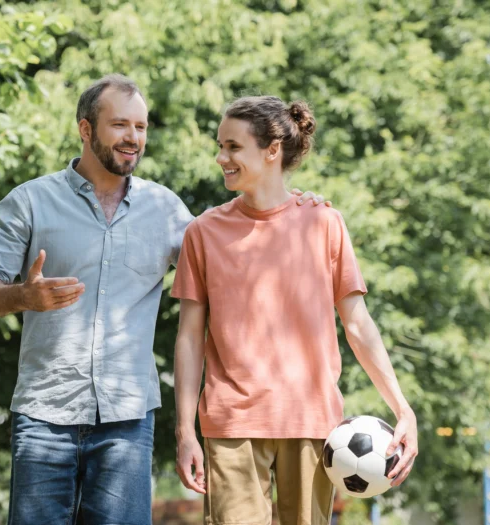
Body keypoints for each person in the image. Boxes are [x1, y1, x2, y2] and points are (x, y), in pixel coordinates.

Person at [0, 75, 326, 525]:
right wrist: (22, 296)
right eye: (120, 125)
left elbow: (234, 254)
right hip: (43, 416)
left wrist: (294, 205)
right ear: (85, 129)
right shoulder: (31, 202)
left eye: (141, 126)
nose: (133, 138)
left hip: (127, 422)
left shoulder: (168, 211)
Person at [171, 95, 418, 525]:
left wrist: (402, 407)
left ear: (272, 150)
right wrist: (184, 430)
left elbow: (358, 323)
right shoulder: (203, 232)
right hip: (231, 423)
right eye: (220, 145)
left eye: (233, 147)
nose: (220, 157)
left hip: (311, 418)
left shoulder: (324, 223)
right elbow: (190, 337)